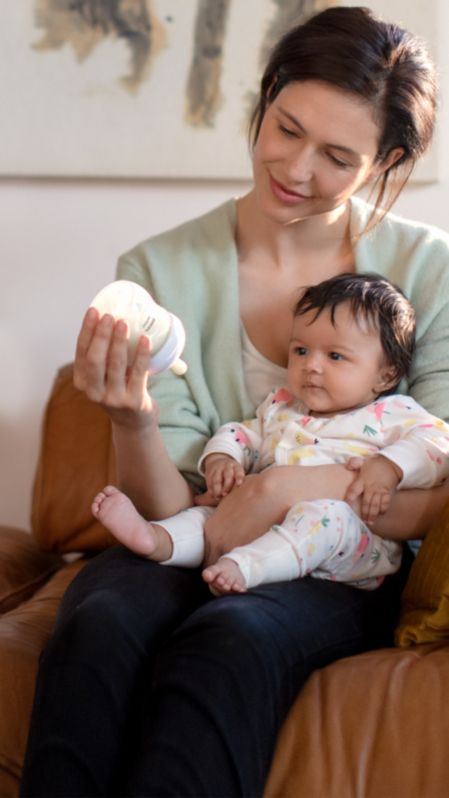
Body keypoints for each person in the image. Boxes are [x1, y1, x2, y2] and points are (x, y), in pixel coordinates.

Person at [20, 6, 449, 798]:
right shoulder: (158, 268)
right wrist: (131, 416)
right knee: (99, 624)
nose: (295, 167)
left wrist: (284, 487)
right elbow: (169, 507)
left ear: (385, 159)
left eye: (336, 155)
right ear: (267, 95)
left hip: (339, 556)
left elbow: (436, 494)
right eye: (285, 127)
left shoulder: (426, 271)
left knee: (231, 638)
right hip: (186, 533)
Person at [90, 273, 449, 595]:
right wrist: (222, 458)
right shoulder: (281, 406)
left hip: (349, 548)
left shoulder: (393, 413)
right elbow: (241, 433)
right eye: (301, 350)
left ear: (385, 375)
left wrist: (389, 467)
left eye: (335, 356)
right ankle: (155, 540)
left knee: (324, 520)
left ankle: (247, 568)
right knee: (208, 516)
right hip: (250, 522)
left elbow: (437, 446)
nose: (312, 365)